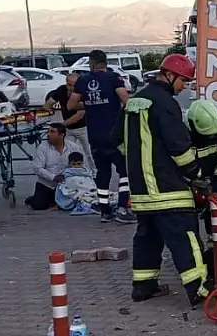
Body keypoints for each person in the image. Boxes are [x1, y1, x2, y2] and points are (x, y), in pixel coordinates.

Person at [113, 54, 210, 307]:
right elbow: (179, 147)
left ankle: (143, 287)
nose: (184, 87)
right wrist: (196, 174)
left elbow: (120, 141)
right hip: (167, 189)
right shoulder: (165, 103)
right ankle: (199, 290)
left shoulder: (134, 102)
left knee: (148, 237)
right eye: (183, 81)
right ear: (170, 75)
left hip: (141, 190)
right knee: (185, 237)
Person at [68, 50, 135, 224]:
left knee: (102, 173)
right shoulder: (113, 78)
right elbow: (126, 100)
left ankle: (105, 211)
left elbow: (71, 104)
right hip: (115, 135)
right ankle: (122, 208)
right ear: (105, 62)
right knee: (125, 172)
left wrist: (90, 104)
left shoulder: (83, 81)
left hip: (94, 135)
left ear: (91, 63)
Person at [26, 123, 83, 211]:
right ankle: (34, 199)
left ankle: (54, 200)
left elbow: (80, 166)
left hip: (66, 184)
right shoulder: (42, 148)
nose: (48, 134)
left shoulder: (73, 147)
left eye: (52, 132)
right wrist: (53, 177)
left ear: (61, 135)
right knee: (39, 206)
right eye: (48, 131)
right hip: (46, 184)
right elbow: (38, 168)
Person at [185, 99, 217, 192]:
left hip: (209, 184)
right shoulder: (180, 136)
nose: (213, 138)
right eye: (209, 135)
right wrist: (190, 181)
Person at [45, 72, 90, 166]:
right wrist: (50, 110)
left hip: (84, 127)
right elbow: (48, 104)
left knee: (89, 153)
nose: (72, 88)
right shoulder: (61, 90)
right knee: (67, 153)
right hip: (68, 129)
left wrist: (61, 125)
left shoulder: (82, 92)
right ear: (66, 83)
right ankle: (68, 172)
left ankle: (94, 173)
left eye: (75, 85)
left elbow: (79, 115)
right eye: (70, 85)